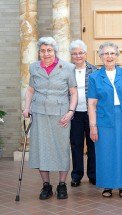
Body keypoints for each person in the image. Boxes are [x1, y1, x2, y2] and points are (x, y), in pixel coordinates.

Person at [23, 37, 78, 200]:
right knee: (41, 148)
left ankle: (62, 184)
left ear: (55, 51)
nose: (46, 54)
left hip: (60, 114)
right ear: (39, 52)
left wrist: (70, 111)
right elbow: (30, 90)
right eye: (42, 51)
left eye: (49, 50)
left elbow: (74, 92)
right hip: (39, 112)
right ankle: (46, 185)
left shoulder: (67, 68)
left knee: (61, 148)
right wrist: (26, 108)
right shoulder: (34, 68)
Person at [88, 42, 122, 198]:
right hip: (104, 120)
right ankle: (107, 185)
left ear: (117, 56)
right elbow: (91, 103)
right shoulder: (95, 77)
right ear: (100, 57)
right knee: (105, 152)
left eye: (112, 53)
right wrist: (93, 126)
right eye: (106, 54)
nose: (109, 56)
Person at [69, 40, 97, 187]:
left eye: (81, 53)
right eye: (75, 53)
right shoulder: (67, 70)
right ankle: (76, 175)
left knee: (93, 143)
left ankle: (93, 175)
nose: (78, 56)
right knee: (76, 144)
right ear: (71, 55)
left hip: (90, 113)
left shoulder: (95, 70)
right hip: (74, 114)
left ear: (85, 54)